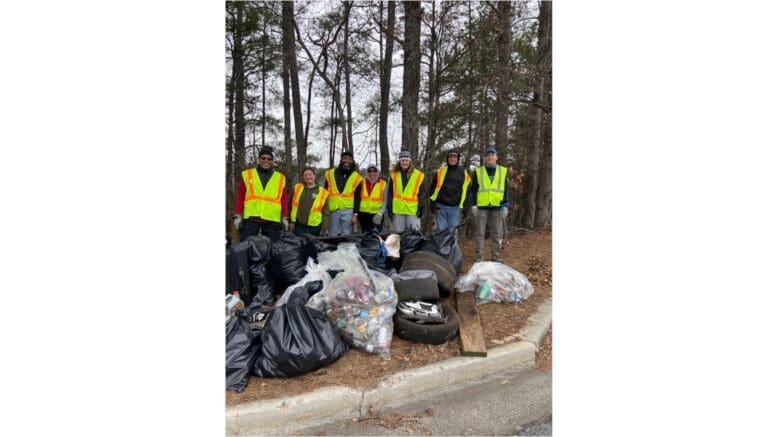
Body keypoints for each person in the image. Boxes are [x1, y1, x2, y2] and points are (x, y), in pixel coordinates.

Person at [233, 146, 289, 242]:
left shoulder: (280, 178)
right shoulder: (248, 174)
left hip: (272, 220)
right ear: (259, 159)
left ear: (272, 161)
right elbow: (240, 196)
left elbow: (283, 199)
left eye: (269, 158)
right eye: (263, 158)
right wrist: (238, 214)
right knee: (246, 247)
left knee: (271, 249)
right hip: (252, 218)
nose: (266, 161)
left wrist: (285, 216)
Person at [470, 147, 509, 262]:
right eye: (488, 155)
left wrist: (505, 205)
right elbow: (473, 189)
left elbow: (506, 190)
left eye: (493, 155)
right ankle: (479, 256)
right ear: (485, 158)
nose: (490, 157)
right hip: (482, 206)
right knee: (480, 233)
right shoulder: (478, 171)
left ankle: (495, 256)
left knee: (497, 233)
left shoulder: (503, 171)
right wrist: (474, 204)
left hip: (497, 206)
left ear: (496, 157)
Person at [377, 150, 427, 233]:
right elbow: (390, 193)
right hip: (398, 210)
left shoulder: (419, 175)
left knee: (414, 235)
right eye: (402, 160)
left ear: (410, 162)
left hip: (412, 210)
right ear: (400, 162)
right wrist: (389, 207)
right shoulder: (394, 174)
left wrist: (421, 206)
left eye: (406, 160)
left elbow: (422, 192)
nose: (405, 163)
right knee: (399, 235)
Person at [428, 148, 472, 231]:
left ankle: (453, 245)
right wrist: (432, 204)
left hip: (455, 209)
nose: (452, 159)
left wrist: (465, 208)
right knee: (441, 232)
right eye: (450, 157)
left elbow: (468, 193)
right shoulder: (440, 172)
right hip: (440, 207)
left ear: (458, 159)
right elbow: (432, 189)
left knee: (452, 233)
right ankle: (442, 244)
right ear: (447, 159)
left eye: (454, 157)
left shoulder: (464, 174)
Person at [324, 151, 362, 236]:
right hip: (333, 209)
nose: (347, 161)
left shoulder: (357, 177)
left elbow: (357, 197)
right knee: (332, 234)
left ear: (352, 161)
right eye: (345, 158)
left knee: (346, 234)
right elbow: (324, 193)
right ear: (341, 159)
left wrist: (355, 214)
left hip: (348, 209)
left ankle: (345, 249)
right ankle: (332, 249)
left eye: (349, 159)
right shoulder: (330, 173)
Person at [288, 167, 329, 237]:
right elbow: (290, 206)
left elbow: (326, 213)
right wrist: (291, 222)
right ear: (303, 177)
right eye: (305, 175)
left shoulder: (323, 192)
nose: (308, 177)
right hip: (299, 226)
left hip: (315, 228)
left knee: (312, 247)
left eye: (310, 174)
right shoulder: (297, 188)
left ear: (314, 175)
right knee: (300, 246)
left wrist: (324, 228)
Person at [353, 163, 387, 234]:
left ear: (377, 172)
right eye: (370, 171)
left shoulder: (383, 184)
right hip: (363, 215)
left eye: (374, 171)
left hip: (377, 214)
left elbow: (385, 202)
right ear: (367, 172)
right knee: (364, 235)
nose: (372, 173)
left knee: (376, 235)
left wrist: (380, 213)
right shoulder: (361, 182)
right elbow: (356, 199)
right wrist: (355, 213)